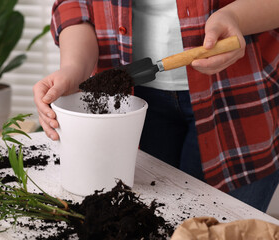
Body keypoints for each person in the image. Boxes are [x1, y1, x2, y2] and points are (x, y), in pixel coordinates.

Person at [33, 0, 279, 212]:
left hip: (243, 100)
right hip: (131, 102)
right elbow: (76, 5)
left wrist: (235, 17)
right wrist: (74, 68)